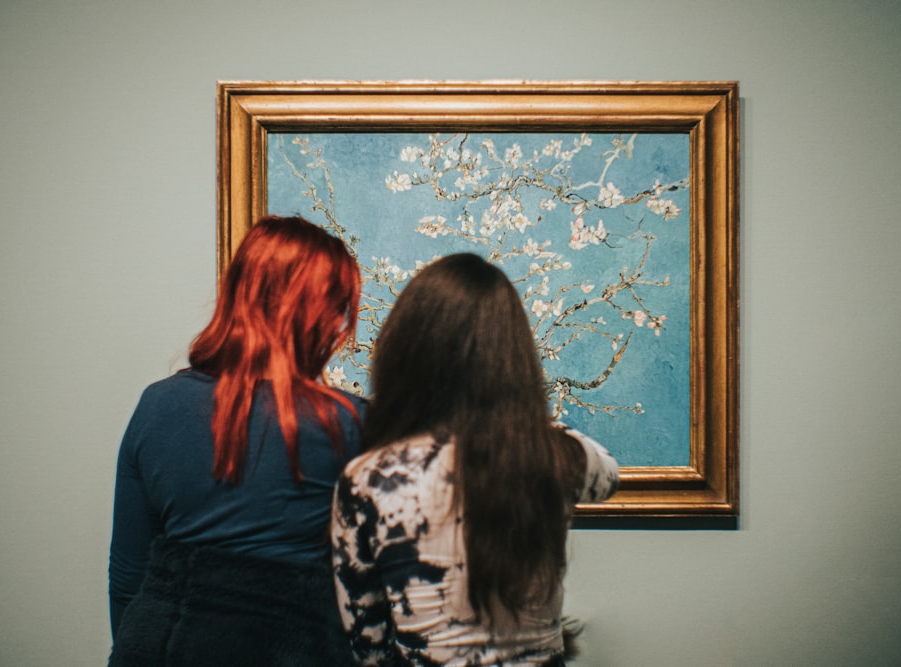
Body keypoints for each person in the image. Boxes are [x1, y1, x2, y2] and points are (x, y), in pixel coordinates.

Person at [331, 253, 620, 666]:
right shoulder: (551, 456)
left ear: (406, 351)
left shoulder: (368, 481)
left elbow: (366, 643)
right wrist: (526, 418)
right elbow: (608, 475)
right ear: (512, 356)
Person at [108, 215, 363, 666]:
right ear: (316, 313)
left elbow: (129, 578)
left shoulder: (156, 406)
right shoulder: (350, 422)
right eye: (339, 307)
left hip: (160, 646)